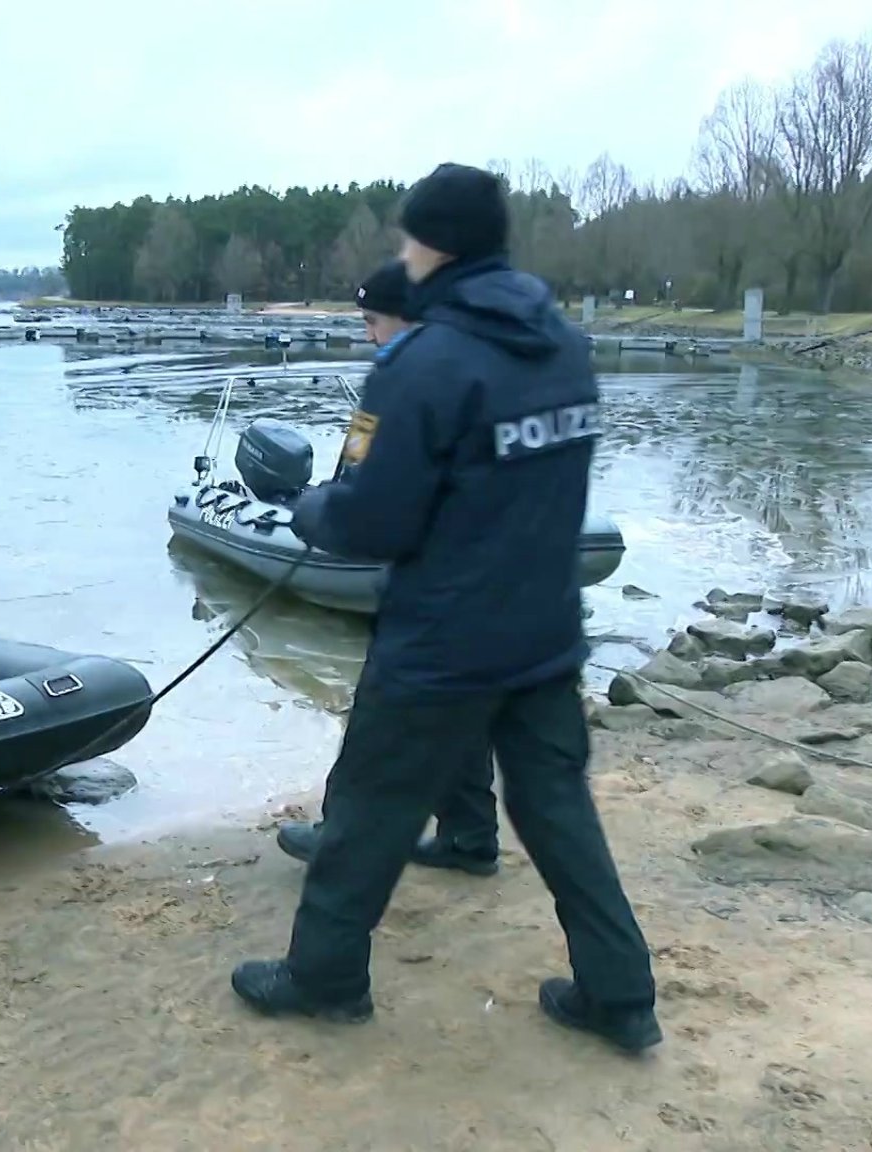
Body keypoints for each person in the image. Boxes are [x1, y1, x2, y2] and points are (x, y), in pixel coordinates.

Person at [229, 162, 660, 1055]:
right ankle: (621, 995)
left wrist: (306, 507)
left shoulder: (421, 364)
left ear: (430, 245)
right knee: (557, 812)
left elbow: (370, 522)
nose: (401, 251)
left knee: (370, 814)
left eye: (406, 237)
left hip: (443, 642)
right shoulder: (565, 344)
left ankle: (324, 979)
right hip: (544, 629)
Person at [279, 257, 505, 880]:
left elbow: (361, 495)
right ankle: (469, 837)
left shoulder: (399, 385)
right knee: (461, 714)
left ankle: (341, 841)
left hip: (435, 590)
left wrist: (314, 515)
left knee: (379, 720)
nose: (369, 336)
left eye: (373, 322)